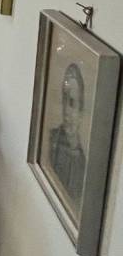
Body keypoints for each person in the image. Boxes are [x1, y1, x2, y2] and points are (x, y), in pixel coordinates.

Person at [48, 62, 86, 205]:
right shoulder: (50, 139)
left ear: (81, 110)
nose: (66, 110)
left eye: (72, 103)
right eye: (64, 100)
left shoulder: (82, 164)